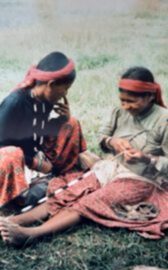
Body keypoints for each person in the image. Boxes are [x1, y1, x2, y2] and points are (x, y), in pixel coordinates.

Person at [1, 66, 168, 246]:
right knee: (69, 192)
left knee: (89, 201)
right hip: (109, 168)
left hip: (140, 178)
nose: (125, 106)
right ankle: (15, 221)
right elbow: (102, 138)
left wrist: (146, 158)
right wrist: (112, 142)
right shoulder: (119, 112)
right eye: (123, 101)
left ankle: (32, 233)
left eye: (132, 102)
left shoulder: (163, 120)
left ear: (150, 96)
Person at [0, 52, 86, 207]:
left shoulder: (45, 100)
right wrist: (33, 162)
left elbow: (35, 131)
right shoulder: (15, 102)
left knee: (71, 124)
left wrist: (63, 119)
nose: (65, 94)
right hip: (15, 161)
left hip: (34, 155)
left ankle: (58, 172)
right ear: (51, 84)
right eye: (65, 88)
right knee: (11, 154)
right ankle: (20, 195)